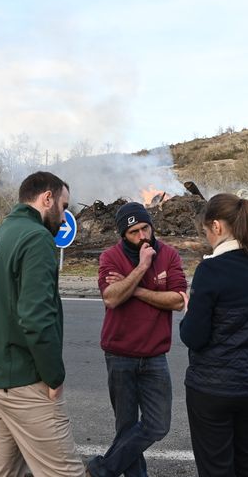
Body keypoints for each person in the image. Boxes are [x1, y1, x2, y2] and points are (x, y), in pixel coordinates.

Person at [0, 171, 85, 477]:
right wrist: (53, 376)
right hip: (22, 382)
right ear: (47, 198)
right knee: (65, 472)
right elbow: (36, 318)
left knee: (2, 469)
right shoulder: (37, 239)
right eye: (64, 205)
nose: (65, 215)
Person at [179, 193, 248, 477]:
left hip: (214, 388)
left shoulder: (211, 270)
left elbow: (194, 336)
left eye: (205, 232)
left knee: (216, 466)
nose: (207, 238)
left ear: (217, 227)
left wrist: (189, 312)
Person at [86, 202, 187, 477]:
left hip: (155, 356)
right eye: (133, 232)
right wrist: (142, 267)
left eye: (145, 228)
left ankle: (100, 471)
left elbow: (178, 300)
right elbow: (111, 297)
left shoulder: (169, 255)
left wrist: (137, 290)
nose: (143, 236)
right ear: (123, 235)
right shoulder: (110, 257)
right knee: (127, 428)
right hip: (119, 354)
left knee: (157, 425)